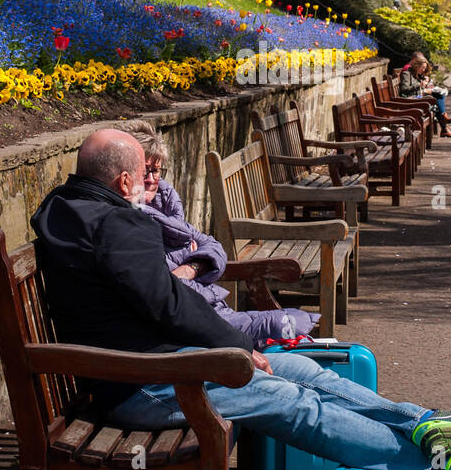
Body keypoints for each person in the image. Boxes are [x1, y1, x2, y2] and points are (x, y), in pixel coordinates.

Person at [31, 129, 451, 470]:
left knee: (305, 371)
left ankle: (425, 424)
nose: (143, 189)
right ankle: (431, 461)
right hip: (142, 385)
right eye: (139, 179)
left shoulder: (60, 209)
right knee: (288, 400)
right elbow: (167, 302)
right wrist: (237, 348)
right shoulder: (118, 225)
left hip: (153, 367)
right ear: (121, 181)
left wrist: (233, 350)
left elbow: (154, 302)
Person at [119, 119, 317, 345]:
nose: (152, 179)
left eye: (156, 171)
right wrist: (193, 262)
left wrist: (191, 267)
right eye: (145, 171)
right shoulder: (129, 224)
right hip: (197, 326)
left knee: (299, 332)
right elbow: (159, 292)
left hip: (210, 312)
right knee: (291, 330)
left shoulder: (166, 207)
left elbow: (213, 246)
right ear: (126, 174)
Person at [398, 52, 451, 137]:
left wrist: (424, 84)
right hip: (410, 99)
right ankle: (444, 122)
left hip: (416, 96)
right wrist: (420, 85)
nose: (423, 70)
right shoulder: (407, 73)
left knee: (438, 96)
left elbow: (418, 86)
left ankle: (444, 121)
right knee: (436, 98)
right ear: (417, 66)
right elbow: (404, 89)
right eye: (422, 68)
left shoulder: (415, 74)